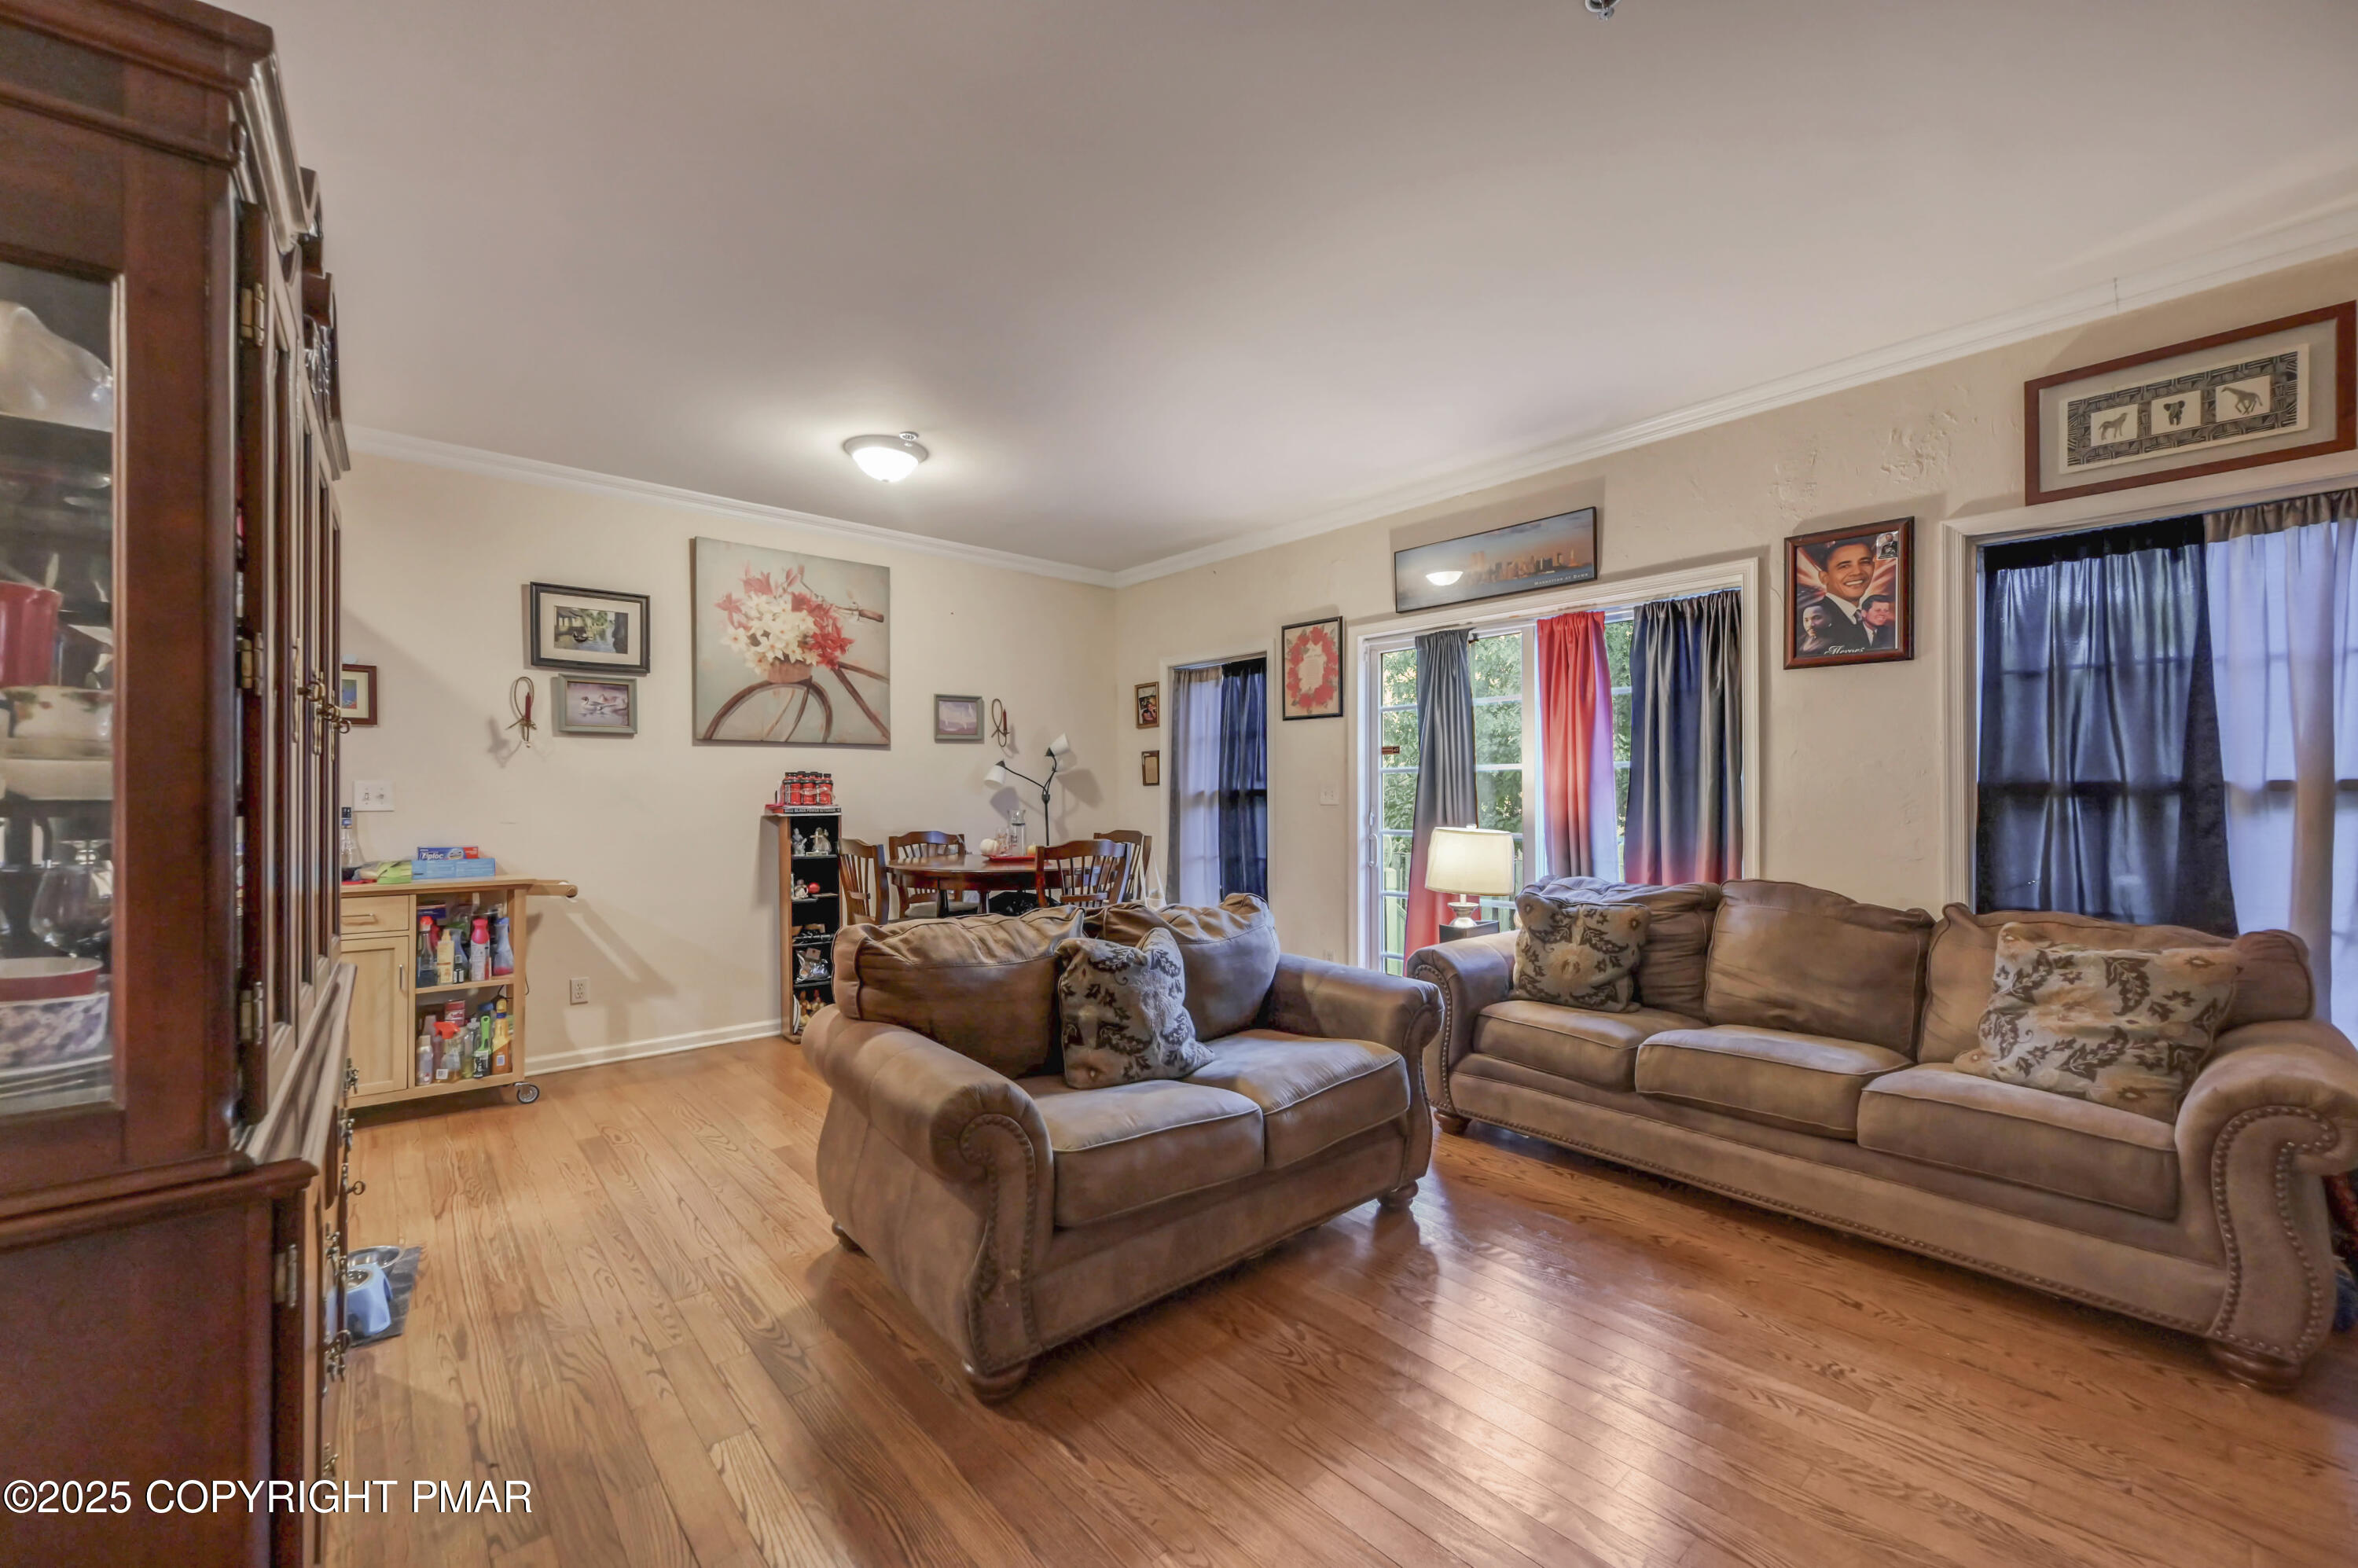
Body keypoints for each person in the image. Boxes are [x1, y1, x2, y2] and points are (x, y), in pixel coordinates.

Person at [1802, 538, 1878, 652]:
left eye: (1864, 562)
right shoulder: (1815, 615)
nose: (1858, 572)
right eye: (1844, 566)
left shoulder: (1870, 613)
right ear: (1824, 578)